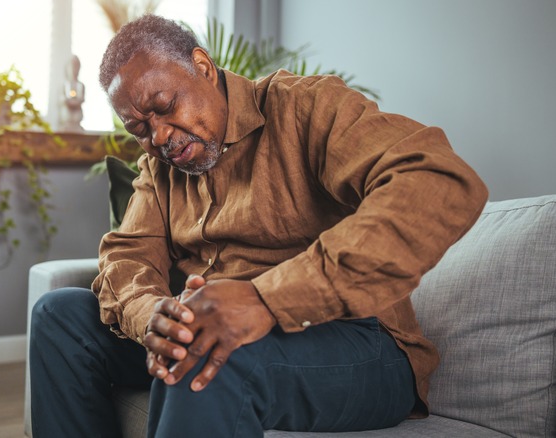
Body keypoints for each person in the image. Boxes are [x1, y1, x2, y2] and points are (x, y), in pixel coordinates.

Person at [30, 14, 488, 437]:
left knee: (208, 348)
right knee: (59, 316)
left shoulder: (307, 108)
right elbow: (126, 256)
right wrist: (153, 316)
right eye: (140, 129)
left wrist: (265, 299)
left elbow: (438, 179)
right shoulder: (160, 169)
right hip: (218, 332)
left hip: (358, 343)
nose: (160, 136)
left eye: (165, 105)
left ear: (203, 67)